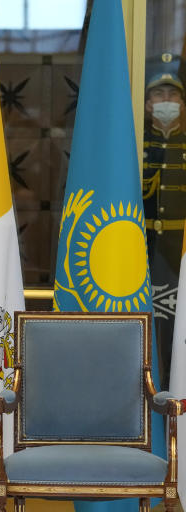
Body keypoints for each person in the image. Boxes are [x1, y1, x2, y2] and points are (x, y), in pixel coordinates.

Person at [142, 52, 186, 388]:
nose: (166, 101)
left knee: (177, 322)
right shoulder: (139, 142)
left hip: (179, 246)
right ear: (146, 104)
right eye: (159, 95)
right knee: (149, 319)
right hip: (145, 243)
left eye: (173, 96)